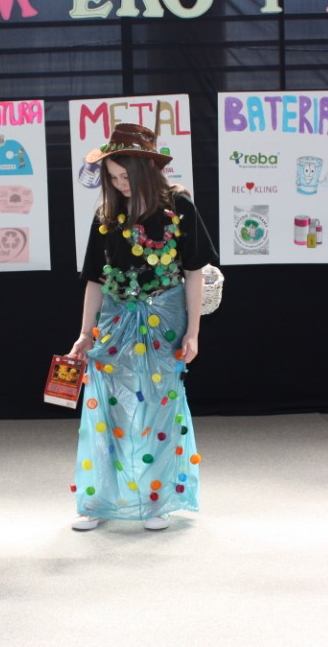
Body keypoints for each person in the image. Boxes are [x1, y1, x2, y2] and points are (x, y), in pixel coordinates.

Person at [66, 123, 218, 531]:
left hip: (165, 318)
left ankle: (157, 499)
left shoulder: (179, 206)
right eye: (113, 177)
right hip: (115, 319)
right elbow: (94, 279)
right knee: (108, 406)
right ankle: (100, 500)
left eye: (125, 176)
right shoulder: (107, 214)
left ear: (148, 169)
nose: (120, 184)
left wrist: (193, 331)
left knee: (160, 406)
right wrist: (84, 333)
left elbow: (194, 271)